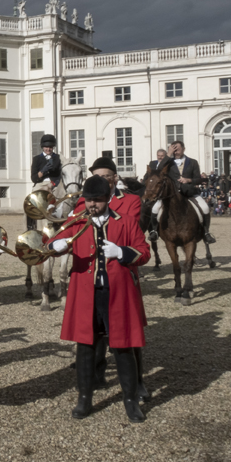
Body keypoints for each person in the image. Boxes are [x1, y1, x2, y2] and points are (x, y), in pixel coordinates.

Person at [51, 176, 151, 423]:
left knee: (122, 345)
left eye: (97, 200)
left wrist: (123, 252)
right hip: (86, 294)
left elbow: (144, 252)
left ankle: (130, 400)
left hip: (118, 293)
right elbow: (49, 244)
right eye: (88, 200)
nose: (92, 205)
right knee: (85, 346)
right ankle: (84, 398)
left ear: (107, 199)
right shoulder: (76, 222)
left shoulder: (126, 222)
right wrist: (56, 244)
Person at [74, 156, 147, 396]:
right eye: (95, 175)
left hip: (121, 273)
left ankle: (137, 383)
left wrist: (122, 250)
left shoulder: (131, 201)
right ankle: (95, 377)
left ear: (114, 177)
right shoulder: (85, 203)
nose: (100, 179)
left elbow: (130, 229)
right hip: (91, 279)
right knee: (91, 336)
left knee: (127, 337)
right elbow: (73, 227)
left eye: (105, 175)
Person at [148, 141, 215, 245]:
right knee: (155, 208)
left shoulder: (193, 162)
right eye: (173, 149)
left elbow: (199, 179)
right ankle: (154, 231)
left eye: (177, 149)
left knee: (205, 207)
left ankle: (206, 232)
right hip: (171, 195)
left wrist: (188, 180)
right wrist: (168, 155)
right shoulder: (168, 162)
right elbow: (159, 170)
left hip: (189, 193)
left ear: (184, 149)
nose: (176, 151)